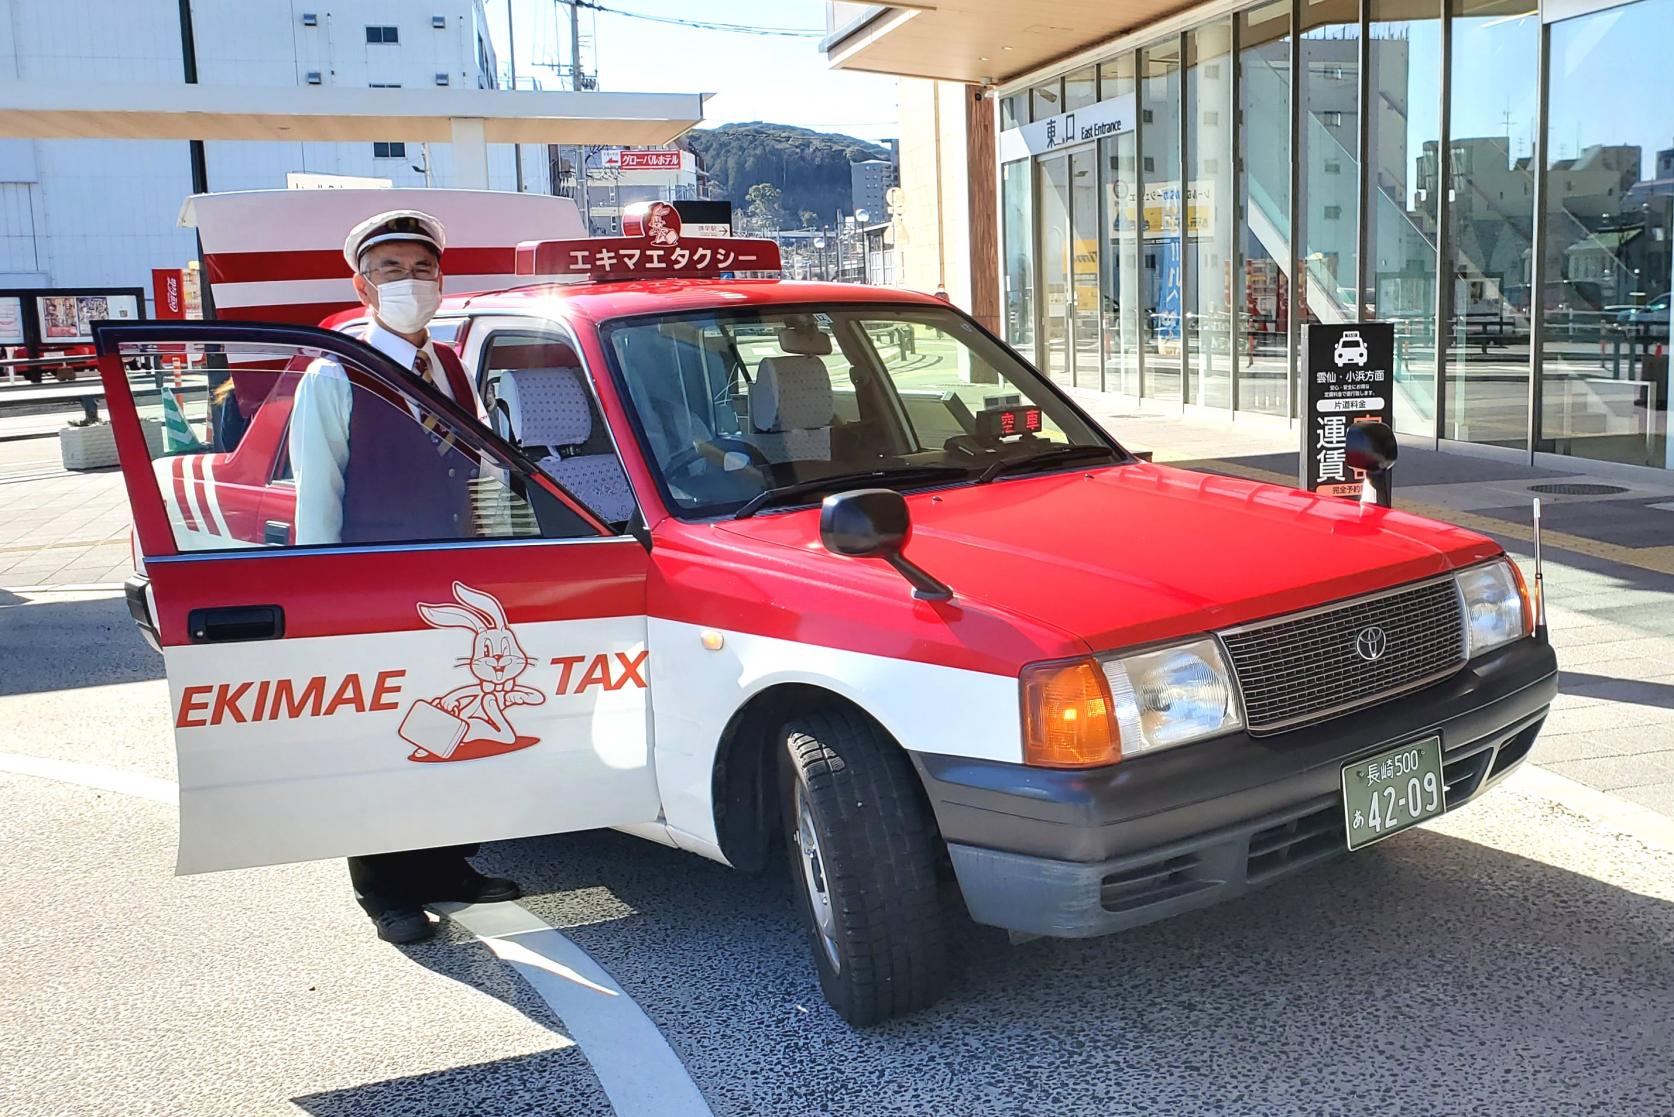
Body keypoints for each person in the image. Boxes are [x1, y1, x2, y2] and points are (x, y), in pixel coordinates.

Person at [289, 209, 522, 945]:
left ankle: (446, 866)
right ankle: (384, 888)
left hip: (452, 587)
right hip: (372, 589)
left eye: (423, 269)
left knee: (446, 731)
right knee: (380, 741)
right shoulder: (334, 373)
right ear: (361, 284)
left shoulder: (449, 365)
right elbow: (317, 500)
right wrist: (320, 607)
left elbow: (477, 471)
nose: (410, 282)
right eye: (391, 269)